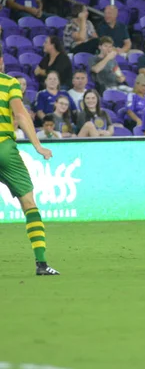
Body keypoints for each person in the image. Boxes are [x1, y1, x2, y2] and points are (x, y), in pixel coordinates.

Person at [0, 53, 60, 275]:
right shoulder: (8, 82)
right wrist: (38, 146)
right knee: (28, 203)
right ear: (1, 62)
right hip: (3, 148)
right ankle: (42, 264)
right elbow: (21, 115)